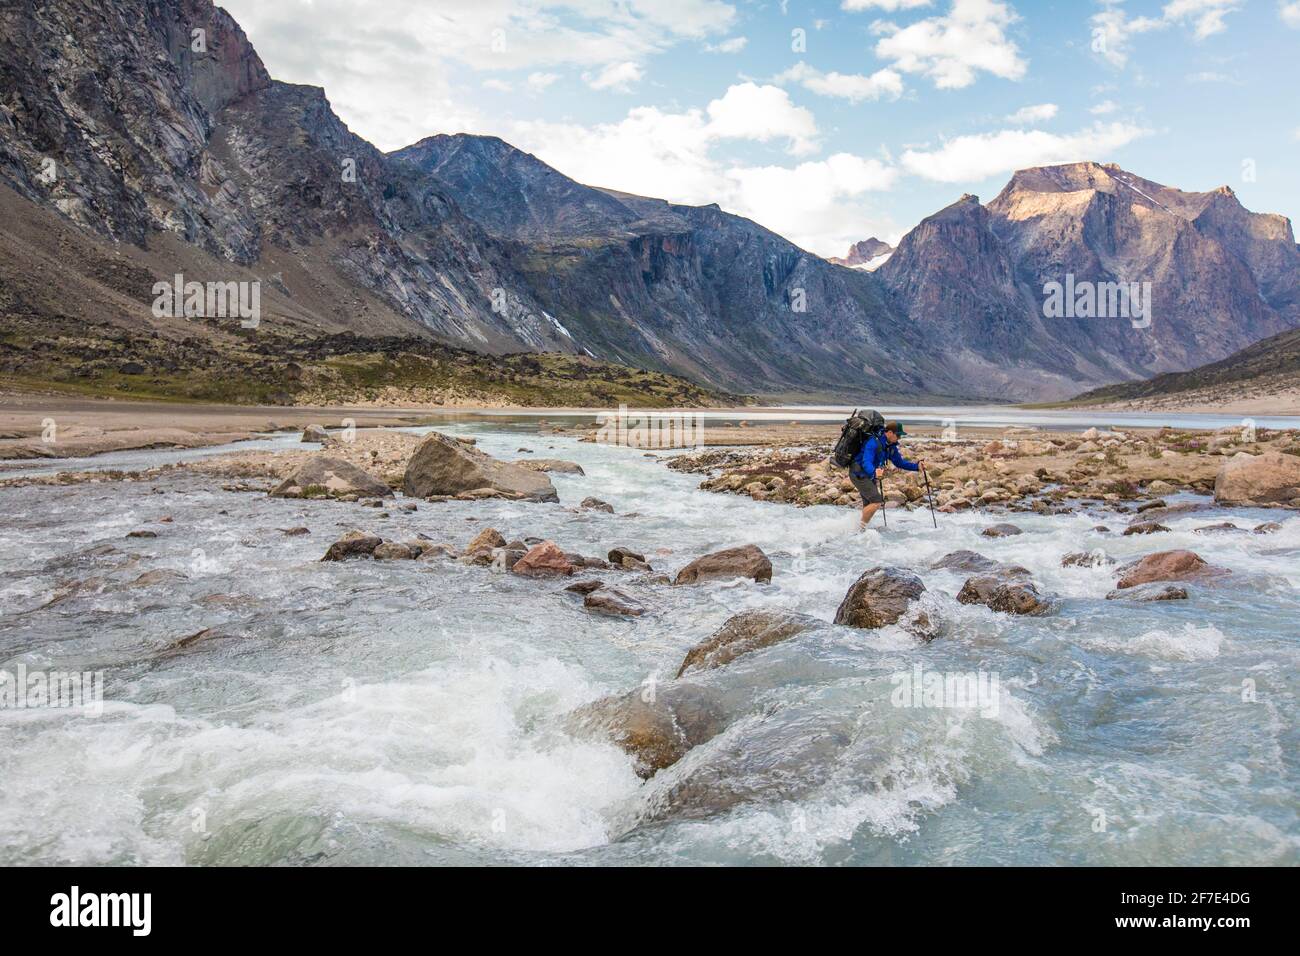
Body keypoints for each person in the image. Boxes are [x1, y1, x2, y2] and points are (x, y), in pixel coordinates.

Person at [851, 421, 924, 528]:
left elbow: (899, 462)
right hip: (859, 473)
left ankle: (860, 528)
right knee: (876, 501)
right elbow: (866, 461)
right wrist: (874, 472)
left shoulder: (890, 446)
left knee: (869, 504)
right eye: (898, 435)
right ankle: (857, 528)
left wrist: (917, 467)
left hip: (870, 475)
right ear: (889, 432)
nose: (899, 438)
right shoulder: (873, 442)